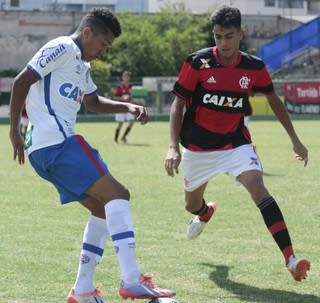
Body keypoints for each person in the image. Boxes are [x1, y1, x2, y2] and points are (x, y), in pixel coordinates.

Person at [9, 7, 175, 303]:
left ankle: (83, 290)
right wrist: (13, 131)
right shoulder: (62, 47)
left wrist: (127, 106)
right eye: (103, 43)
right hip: (57, 143)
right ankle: (132, 279)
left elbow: (93, 102)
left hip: (46, 152)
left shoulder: (81, 67)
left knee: (101, 209)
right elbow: (21, 81)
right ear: (87, 32)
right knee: (118, 195)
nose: (103, 51)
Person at [164, 6, 310, 282]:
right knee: (191, 205)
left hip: (235, 145)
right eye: (218, 36)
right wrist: (173, 146)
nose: (223, 43)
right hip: (197, 149)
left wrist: (295, 140)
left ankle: (290, 259)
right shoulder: (198, 63)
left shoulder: (254, 67)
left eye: (229, 36)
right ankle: (205, 213)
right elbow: (178, 104)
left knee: (258, 187)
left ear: (241, 33)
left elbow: (274, 100)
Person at [113, 70, 135, 143]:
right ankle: (115, 139)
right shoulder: (119, 86)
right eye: (125, 77)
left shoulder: (130, 86)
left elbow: (131, 97)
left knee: (131, 122)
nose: (126, 78)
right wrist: (122, 98)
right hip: (120, 107)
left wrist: (133, 101)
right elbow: (115, 97)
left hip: (128, 107)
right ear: (122, 78)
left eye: (127, 77)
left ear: (129, 78)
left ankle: (124, 137)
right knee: (120, 124)